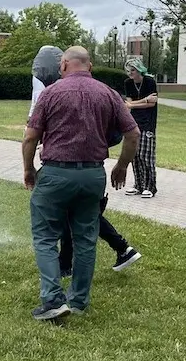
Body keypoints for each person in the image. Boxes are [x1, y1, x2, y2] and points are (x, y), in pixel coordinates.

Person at [23, 46, 140, 321]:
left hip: (55, 173)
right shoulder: (108, 93)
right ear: (90, 65)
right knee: (86, 239)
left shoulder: (51, 93)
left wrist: (29, 169)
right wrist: (122, 166)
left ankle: (52, 300)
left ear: (63, 64)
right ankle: (78, 301)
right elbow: (132, 133)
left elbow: (30, 138)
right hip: (93, 175)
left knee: (45, 237)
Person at [123, 58, 159, 198]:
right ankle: (138, 185)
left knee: (146, 155)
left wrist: (134, 104)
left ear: (139, 70)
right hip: (134, 122)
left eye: (133, 70)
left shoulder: (149, 82)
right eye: (129, 70)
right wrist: (144, 100)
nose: (131, 73)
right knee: (135, 155)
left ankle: (150, 186)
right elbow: (129, 103)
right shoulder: (128, 83)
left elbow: (151, 104)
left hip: (148, 123)